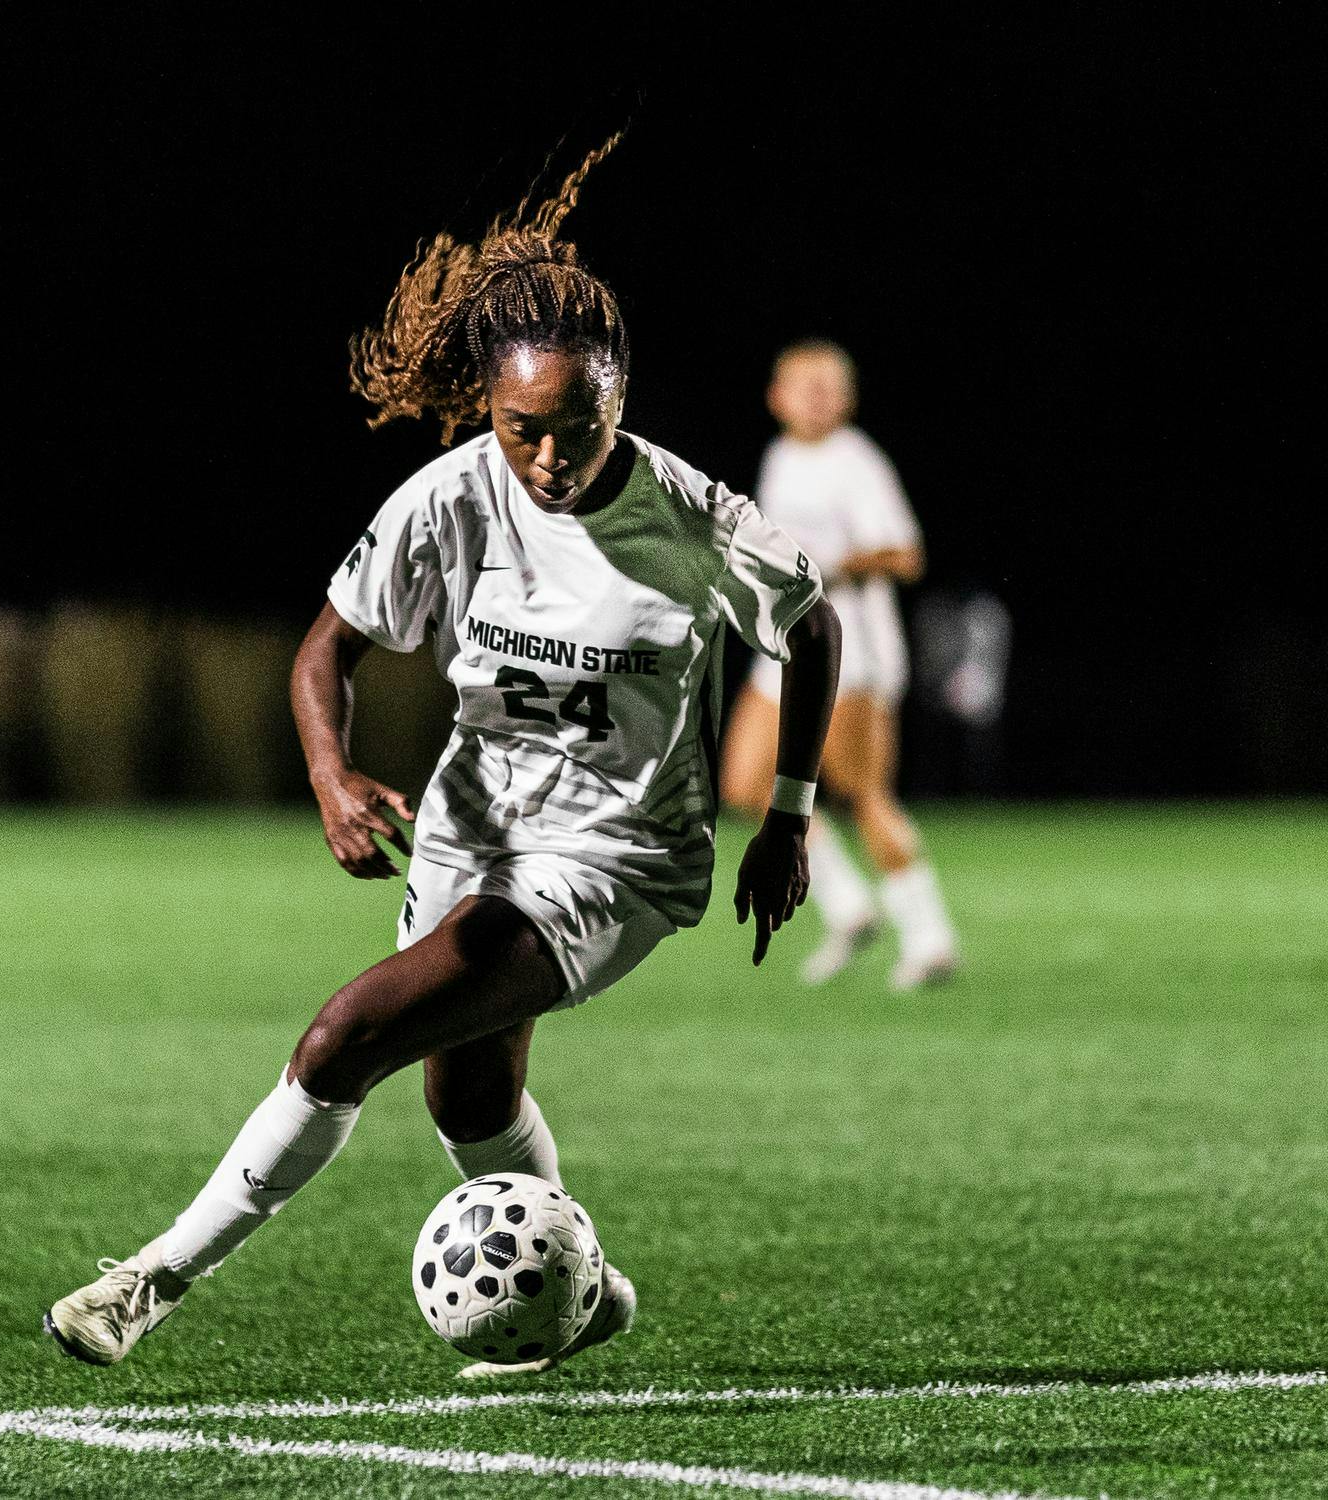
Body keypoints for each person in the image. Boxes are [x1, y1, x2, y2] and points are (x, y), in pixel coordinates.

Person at [44, 135, 840, 1377]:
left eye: (575, 428)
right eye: (524, 428)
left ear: (617, 399)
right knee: (466, 1102)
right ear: (488, 405)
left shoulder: (688, 520)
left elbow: (813, 625)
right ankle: (585, 1291)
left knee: (342, 1038)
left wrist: (787, 817)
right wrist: (329, 772)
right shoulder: (454, 495)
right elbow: (325, 651)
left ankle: (147, 1283)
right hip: (470, 839)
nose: (548, 458)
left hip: (615, 860)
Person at [718, 342, 958, 989]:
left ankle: (929, 937)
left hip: (852, 650)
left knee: (862, 793)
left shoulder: (857, 462)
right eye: (803, 385)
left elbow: (905, 556)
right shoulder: (780, 456)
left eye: (828, 386)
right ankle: (850, 908)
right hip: (787, 646)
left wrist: (829, 570)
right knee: (747, 784)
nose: (816, 397)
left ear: (847, 398)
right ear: (777, 396)